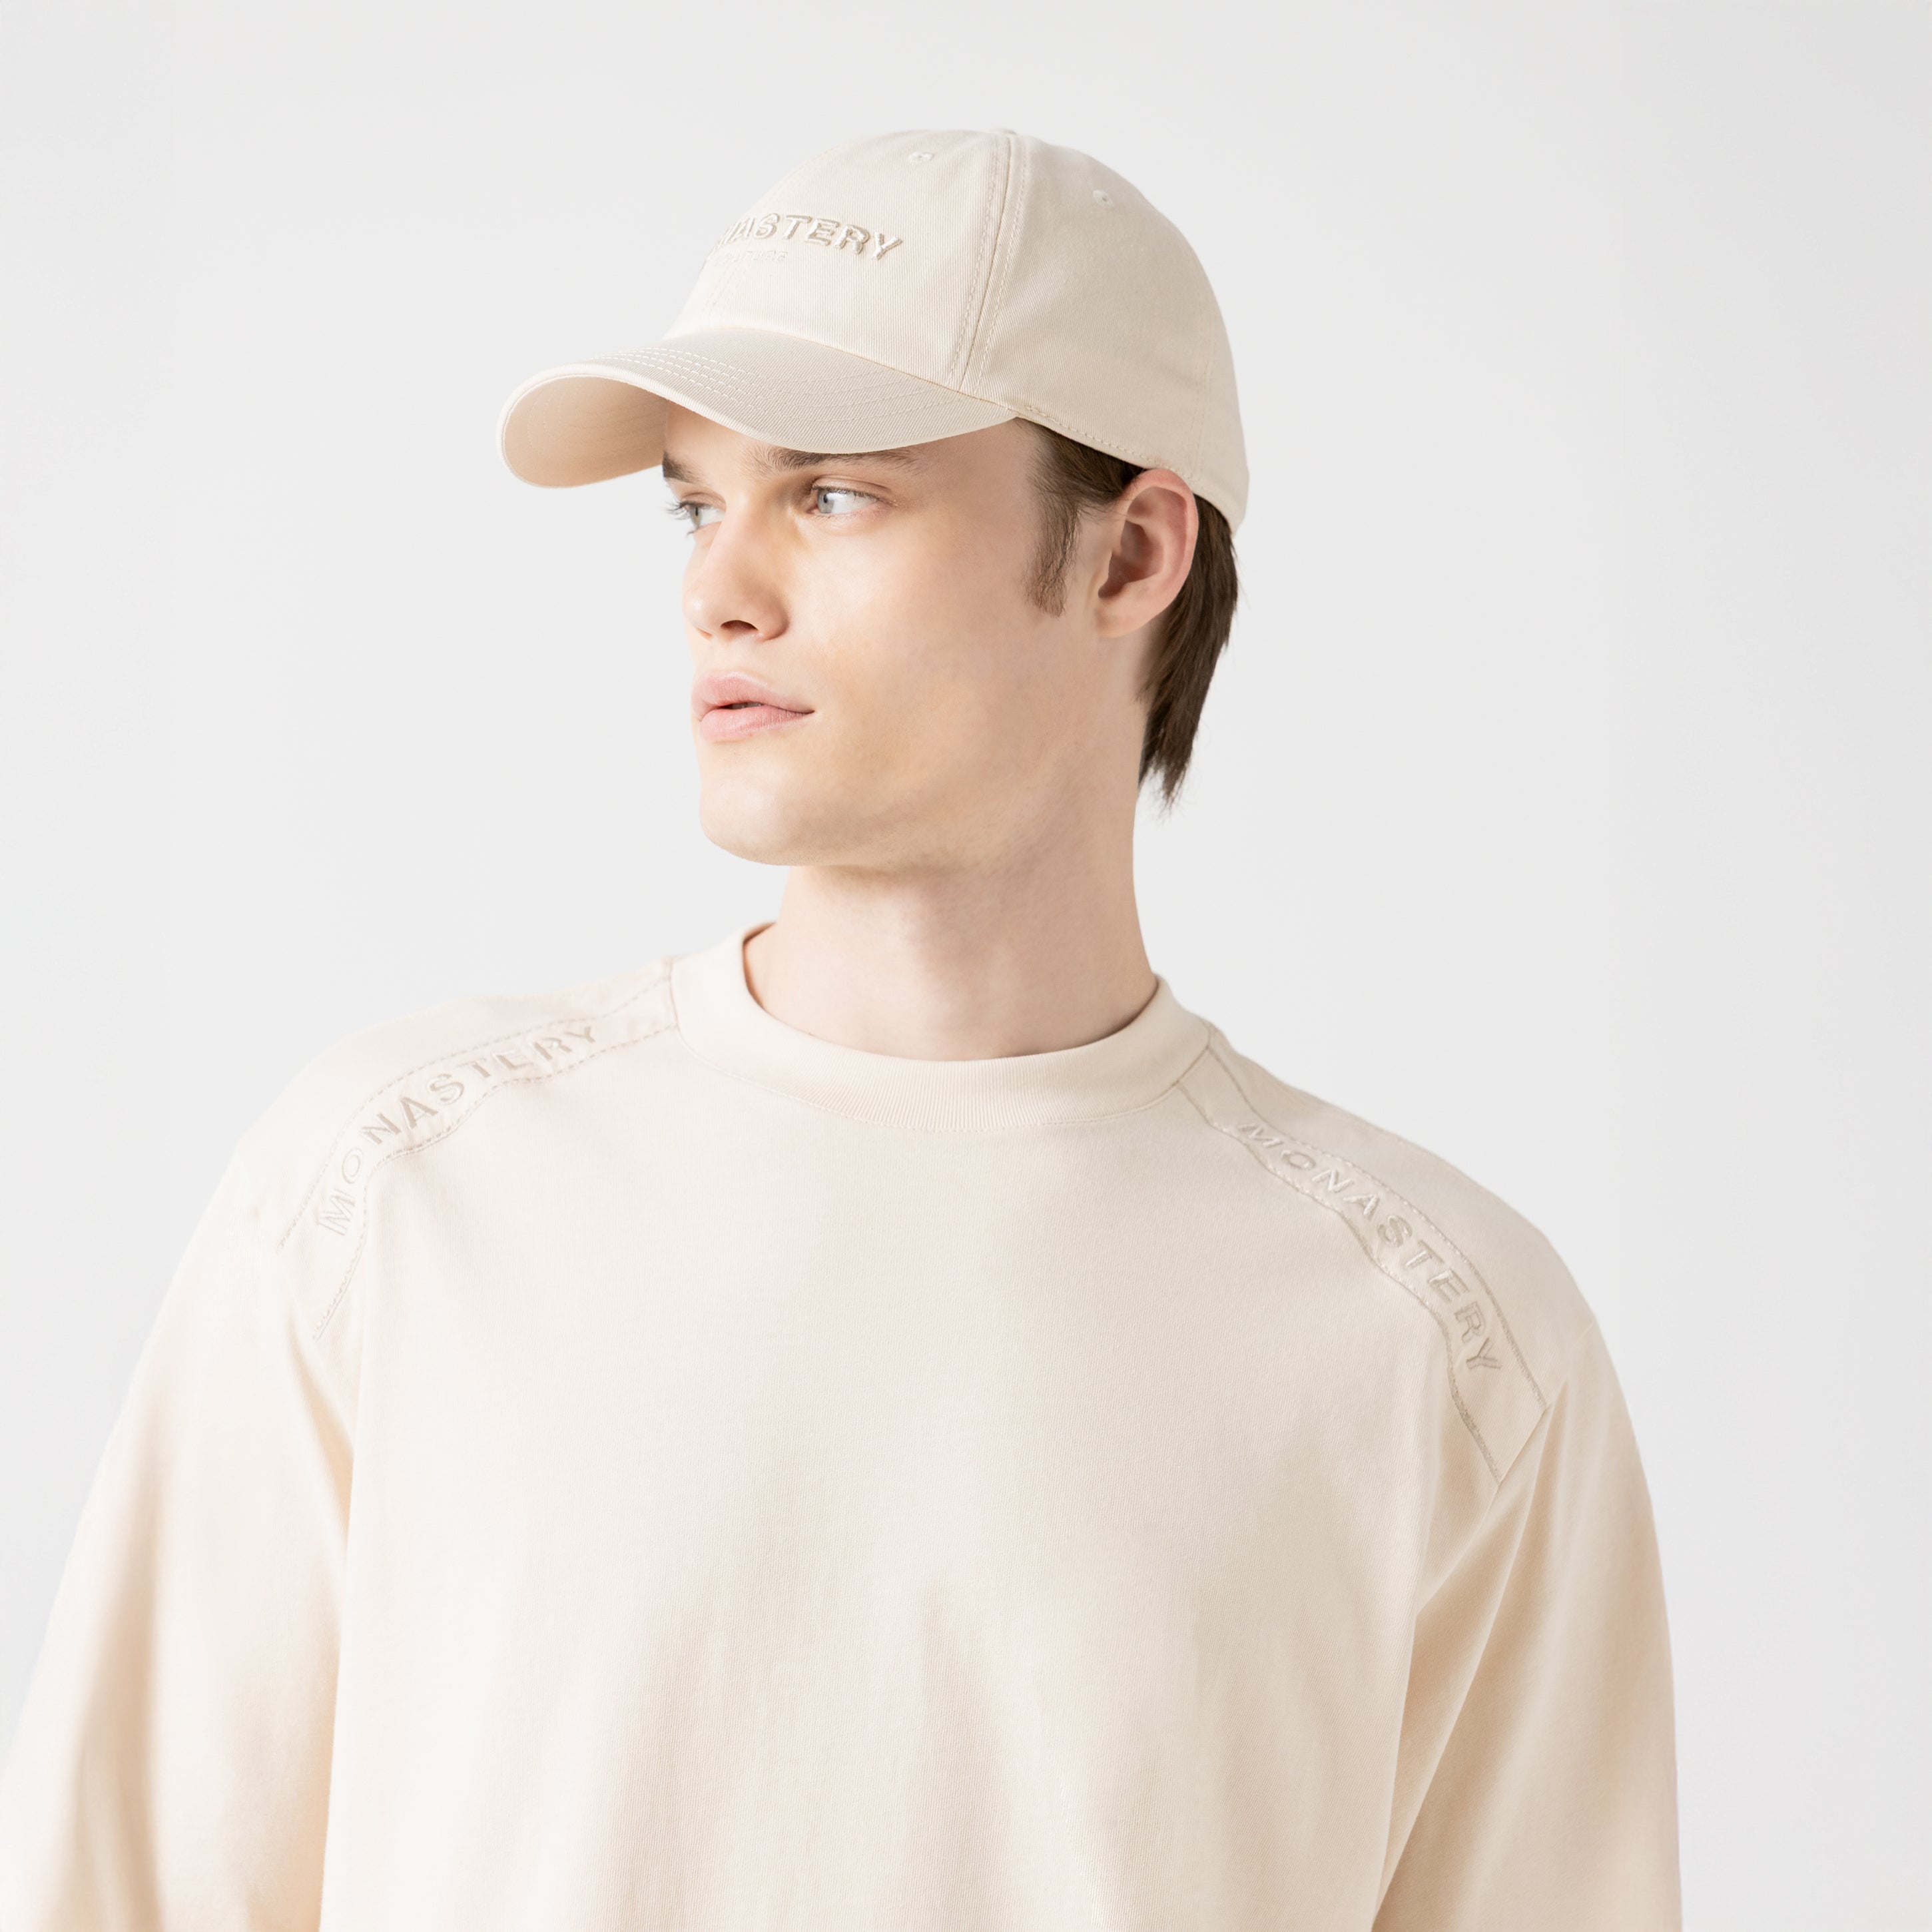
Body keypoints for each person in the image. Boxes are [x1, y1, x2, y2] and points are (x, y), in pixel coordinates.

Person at [0, 129, 1680, 1931]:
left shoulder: (1443, 1347)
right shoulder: (392, 1202)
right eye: (695, 504)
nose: (718, 587)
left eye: (832, 495)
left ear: (1131, 554)